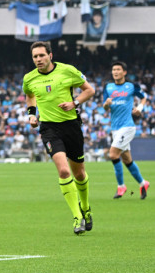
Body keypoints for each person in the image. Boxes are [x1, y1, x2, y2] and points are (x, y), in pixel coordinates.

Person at [22, 41, 96, 235]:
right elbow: (29, 96)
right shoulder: (29, 78)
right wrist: (32, 114)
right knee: (63, 170)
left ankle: (85, 207)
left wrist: (74, 103)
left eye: (41, 55)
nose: (38, 59)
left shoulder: (67, 71)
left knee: (79, 174)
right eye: (35, 56)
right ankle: (77, 217)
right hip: (49, 128)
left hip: (71, 126)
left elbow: (90, 90)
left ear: (50, 55)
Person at [103, 61, 149, 199]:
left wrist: (139, 108)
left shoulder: (131, 86)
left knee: (113, 154)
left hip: (127, 126)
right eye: (113, 70)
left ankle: (121, 186)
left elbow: (143, 98)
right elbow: (105, 107)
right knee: (127, 159)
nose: (115, 72)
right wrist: (106, 104)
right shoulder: (108, 87)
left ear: (124, 72)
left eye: (118, 69)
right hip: (115, 128)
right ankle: (143, 183)